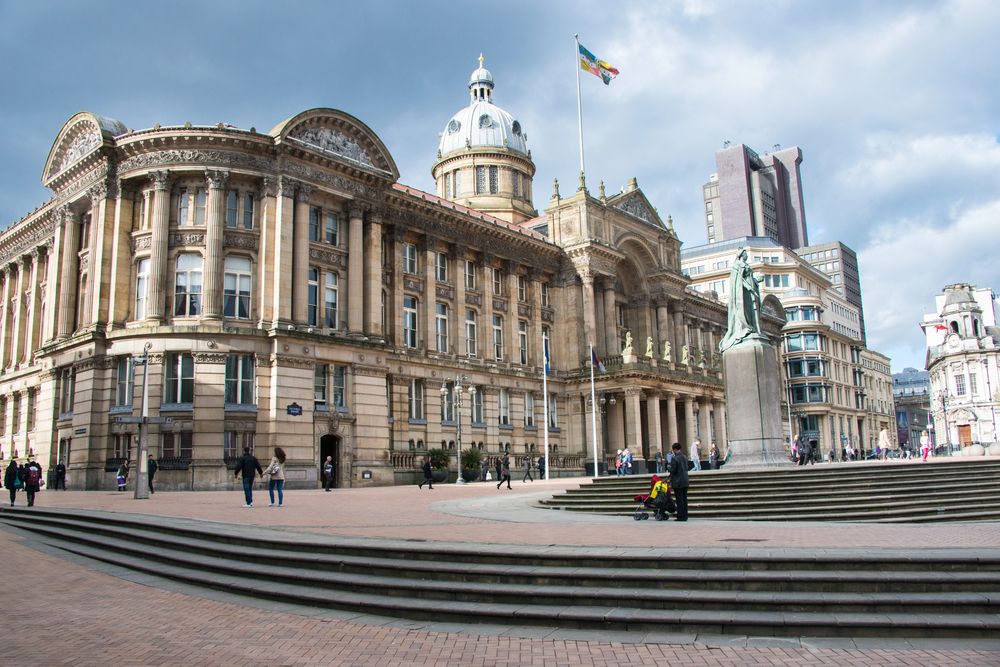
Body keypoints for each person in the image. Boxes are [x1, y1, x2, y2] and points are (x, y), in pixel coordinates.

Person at [667, 443, 689, 521]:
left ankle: (681, 516)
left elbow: (673, 470)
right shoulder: (685, 457)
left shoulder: (675, 458)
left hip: (678, 481)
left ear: (674, 449)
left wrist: (669, 467)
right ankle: (685, 515)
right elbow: (686, 467)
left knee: (679, 500)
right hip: (685, 480)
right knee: (684, 499)